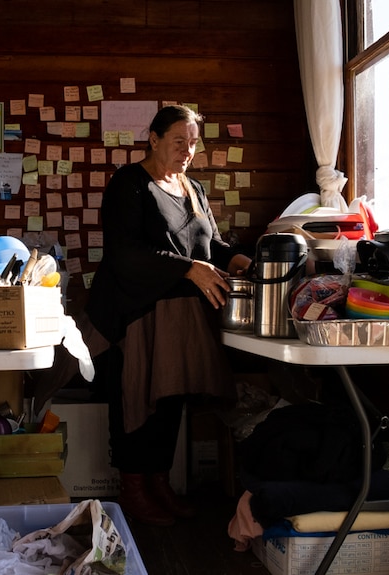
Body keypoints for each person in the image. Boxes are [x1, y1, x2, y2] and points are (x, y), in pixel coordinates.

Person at [84, 104, 253, 526]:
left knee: (170, 401)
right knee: (137, 400)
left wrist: (241, 262)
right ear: (154, 139)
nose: (187, 150)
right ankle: (134, 489)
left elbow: (209, 245)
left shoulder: (192, 188)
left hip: (181, 319)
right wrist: (186, 268)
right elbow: (124, 254)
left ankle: (159, 484)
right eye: (179, 141)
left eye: (193, 143)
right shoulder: (129, 184)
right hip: (135, 313)